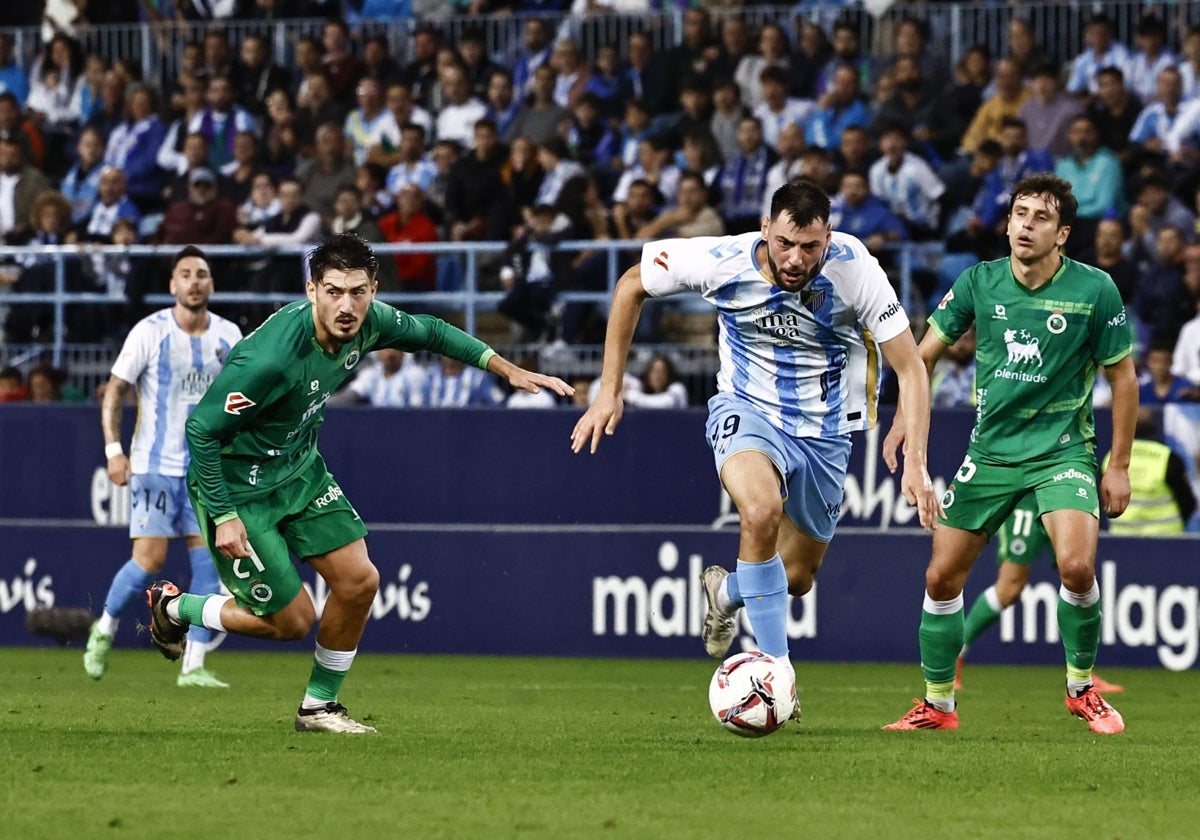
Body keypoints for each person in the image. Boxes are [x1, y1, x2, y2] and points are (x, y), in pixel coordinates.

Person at [146, 233, 573, 733]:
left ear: (373, 289)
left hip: (300, 471)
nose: (345, 306)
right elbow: (201, 429)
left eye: (357, 292)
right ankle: (174, 606)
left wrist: (502, 367)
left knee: (359, 581)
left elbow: (432, 331)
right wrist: (223, 515)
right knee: (292, 622)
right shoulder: (268, 361)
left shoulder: (370, 322)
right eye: (332, 292)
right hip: (240, 487)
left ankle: (318, 707)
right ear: (311, 291)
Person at [571, 178, 940, 711]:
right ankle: (778, 676)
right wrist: (610, 390)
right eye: (785, 242)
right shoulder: (723, 259)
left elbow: (911, 367)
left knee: (797, 578)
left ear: (828, 238)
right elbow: (631, 284)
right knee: (760, 511)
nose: (795, 258)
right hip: (746, 410)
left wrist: (917, 463)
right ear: (765, 228)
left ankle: (726, 594)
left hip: (826, 430)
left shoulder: (855, 268)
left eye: (810, 247)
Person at [882, 173, 1138, 735]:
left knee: (1075, 566)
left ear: (1063, 233)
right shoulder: (979, 281)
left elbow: (1123, 379)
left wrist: (1117, 464)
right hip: (991, 453)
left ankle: (1081, 689)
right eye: (1019, 213)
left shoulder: (1096, 290)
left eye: (1040, 217)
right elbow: (919, 358)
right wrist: (903, 420)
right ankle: (937, 705)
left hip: (1062, 450)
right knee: (941, 579)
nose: (1025, 224)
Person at [85, 246, 242, 687]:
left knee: (208, 566)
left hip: (206, 472)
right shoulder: (149, 332)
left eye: (202, 274)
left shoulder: (230, 337)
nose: (194, 281)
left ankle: (192, 667)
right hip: (154, 464)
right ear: (173, 284)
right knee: (149, 559)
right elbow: (115, 391)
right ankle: (105, 629)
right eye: (186, 274)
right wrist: (114, 449)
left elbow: (251, 396)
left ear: (212, 284)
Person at [954, 495, 1126, 694]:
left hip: (1060, 494)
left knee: (1078, 580)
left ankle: (1083, 674)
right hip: (1024, 500)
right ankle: (954, 657)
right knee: (1009, 588)